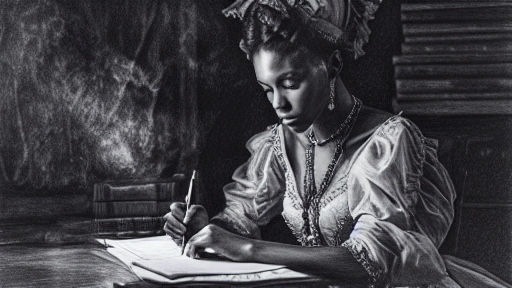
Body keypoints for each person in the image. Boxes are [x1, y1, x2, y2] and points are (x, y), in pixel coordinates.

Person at [164, 1, 511, 287]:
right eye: (267, 89)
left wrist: (248, 248)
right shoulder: (277, 145)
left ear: (332, 64)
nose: (278, 104)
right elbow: (239, 220)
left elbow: (368, 263)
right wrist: (207, 228)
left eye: (289, 83)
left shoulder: (388, 141)